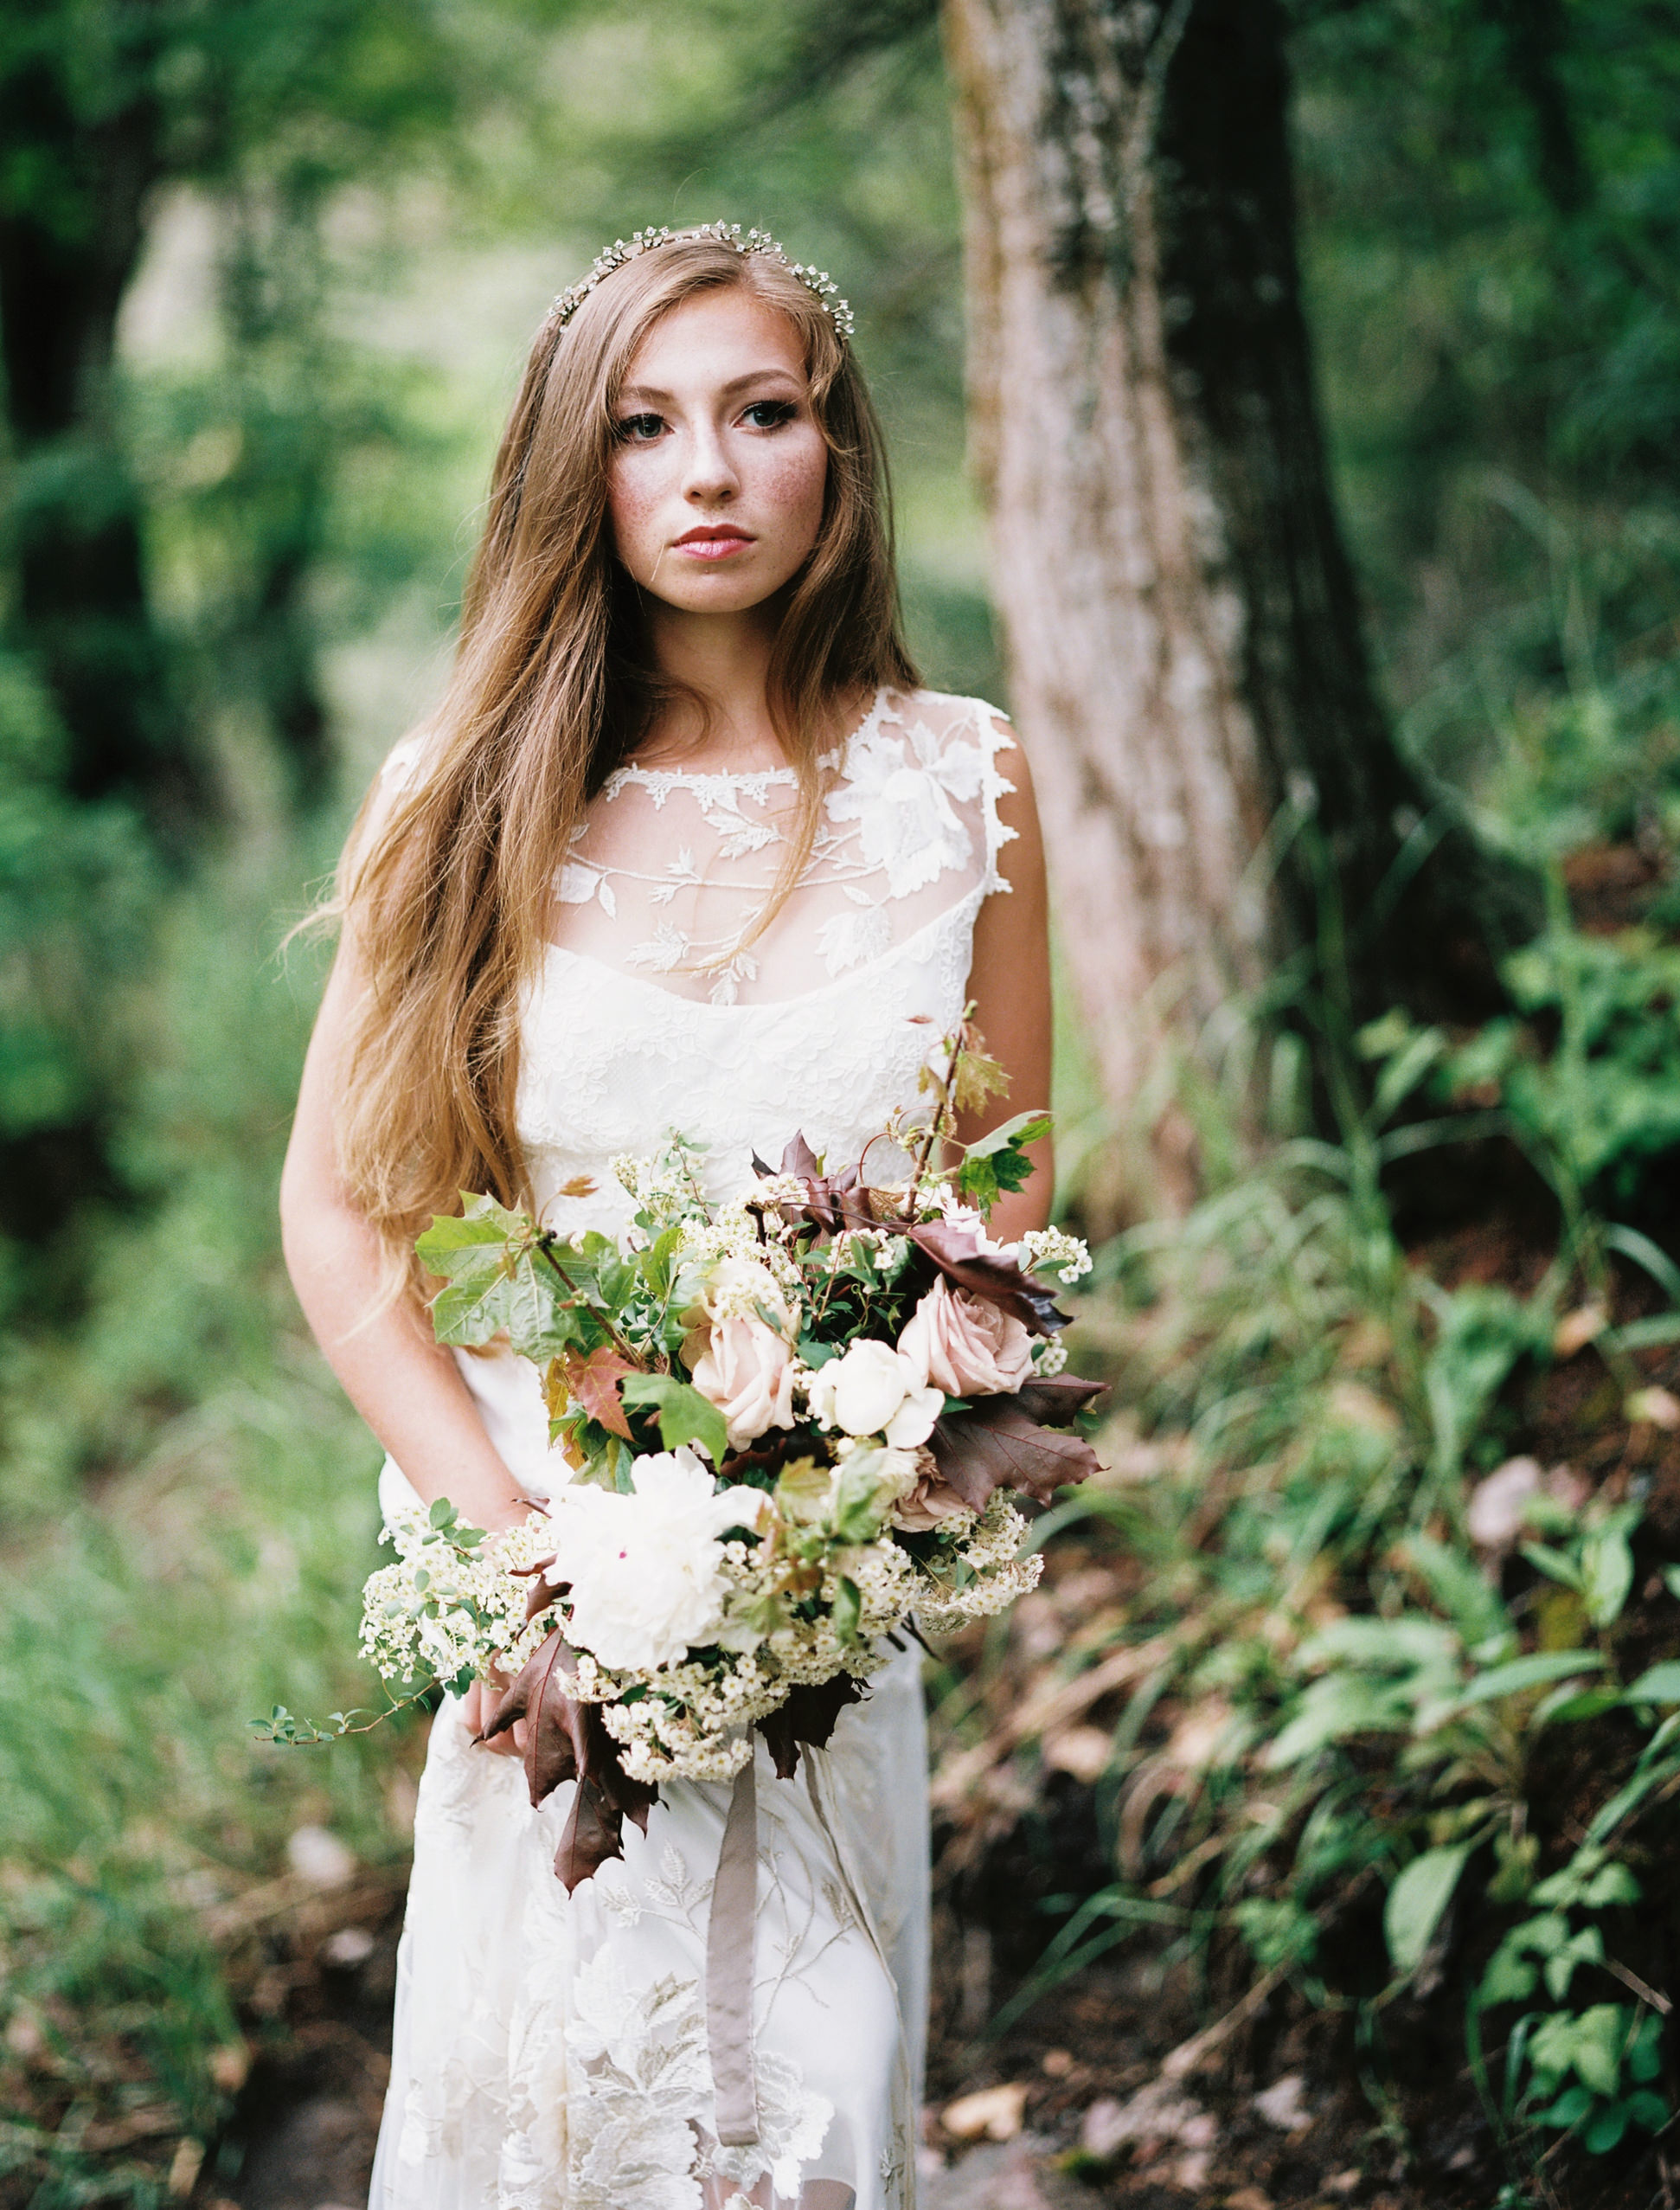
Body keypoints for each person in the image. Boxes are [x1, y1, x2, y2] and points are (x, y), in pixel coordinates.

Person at [280, 221, 1051, 2210]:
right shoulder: (456, 793)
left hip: (826, 1579)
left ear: (836, 451)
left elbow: (1001, 1181)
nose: (705, 471)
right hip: (546, 1587)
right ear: (577, 470)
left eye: (759, 413)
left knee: (815, 2077)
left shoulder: (964, 779)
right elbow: (349, 1218)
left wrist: (842, 1494)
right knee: (570, 2100)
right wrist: (519, 1551)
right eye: (642, 426)